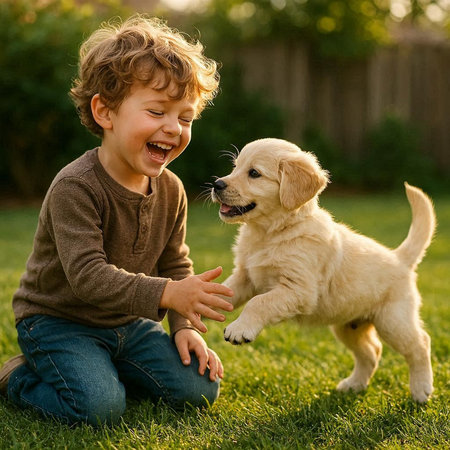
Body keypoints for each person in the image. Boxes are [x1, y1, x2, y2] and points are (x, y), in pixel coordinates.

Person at [0, 15, 234, 426]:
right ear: (105, 112)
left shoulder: (172, 189)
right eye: (157, 111)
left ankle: (106, 365)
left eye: (185, 117)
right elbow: (87, 276)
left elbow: (175, 264)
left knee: (199, 390)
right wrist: (167, 294)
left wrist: (183, 327)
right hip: (59, 322)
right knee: (99, 408)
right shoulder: (76, 187)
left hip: (129, 323)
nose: (173, 127)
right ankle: (17, 376)